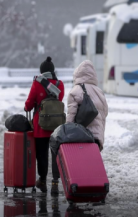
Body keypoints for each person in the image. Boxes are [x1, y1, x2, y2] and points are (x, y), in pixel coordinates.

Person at [50, 60, 108, 195]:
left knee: (79, 166)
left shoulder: (76, 91)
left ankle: (80, 189)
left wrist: (67, 133)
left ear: (78, 74)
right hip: (96, 136)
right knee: (91, 165)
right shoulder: (99, 92)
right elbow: (104, 114)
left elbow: (71, 115)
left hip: (80, 135)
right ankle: (95, 189)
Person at [24, 56, 65, 193]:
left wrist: (26, 108)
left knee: (42, 154)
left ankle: (42, 181)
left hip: (41, 126)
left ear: (41, 71)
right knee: (55, 154)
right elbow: (59, 101)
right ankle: (55, 182)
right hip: (56, 126)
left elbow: (29, 104)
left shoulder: (37, 83)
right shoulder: (60, 85)